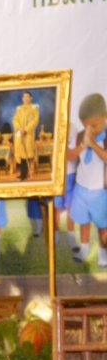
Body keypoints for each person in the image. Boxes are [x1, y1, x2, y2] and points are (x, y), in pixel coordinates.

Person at [66, 93, 107, 269]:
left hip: (100, 190)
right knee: (83, 221)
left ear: (105, 117)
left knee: (103, 225)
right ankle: (84, 250)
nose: (90, 129)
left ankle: (103, 253)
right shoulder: (80, 136)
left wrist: (93, 144)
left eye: (94, 125)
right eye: (86, 126)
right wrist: (84, 144)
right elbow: (70, 156)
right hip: (81, 187)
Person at [13, 91, 39, 181]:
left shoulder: (34, 108)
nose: (26, 98)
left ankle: (25, 173)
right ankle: (22, 173)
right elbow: (15, 120)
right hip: (19, 133)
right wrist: (19, 128)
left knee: (26, 154)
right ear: (22, 99)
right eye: (24, 97)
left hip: (28, 134)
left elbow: (35, 121)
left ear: (31, 98)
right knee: (20, 154)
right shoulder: (19, 109)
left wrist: (26, 129)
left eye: (28, 97)